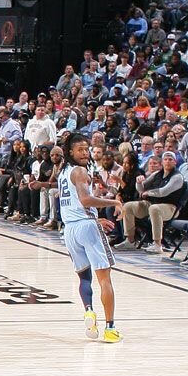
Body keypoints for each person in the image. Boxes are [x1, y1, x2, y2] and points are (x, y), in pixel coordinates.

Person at [59, 134, 122, 342]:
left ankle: (88, 311)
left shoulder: (63, 172)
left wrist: (95, 219)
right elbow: (86, 200)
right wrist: (113, 203)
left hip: (70, 229)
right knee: (105, 278)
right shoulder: (79, 171)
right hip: (86, 227)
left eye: (87, 149)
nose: (85, 153)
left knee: (84, 277)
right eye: (80, 150)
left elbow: (75, 204)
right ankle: (110, 328)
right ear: (70, 152)